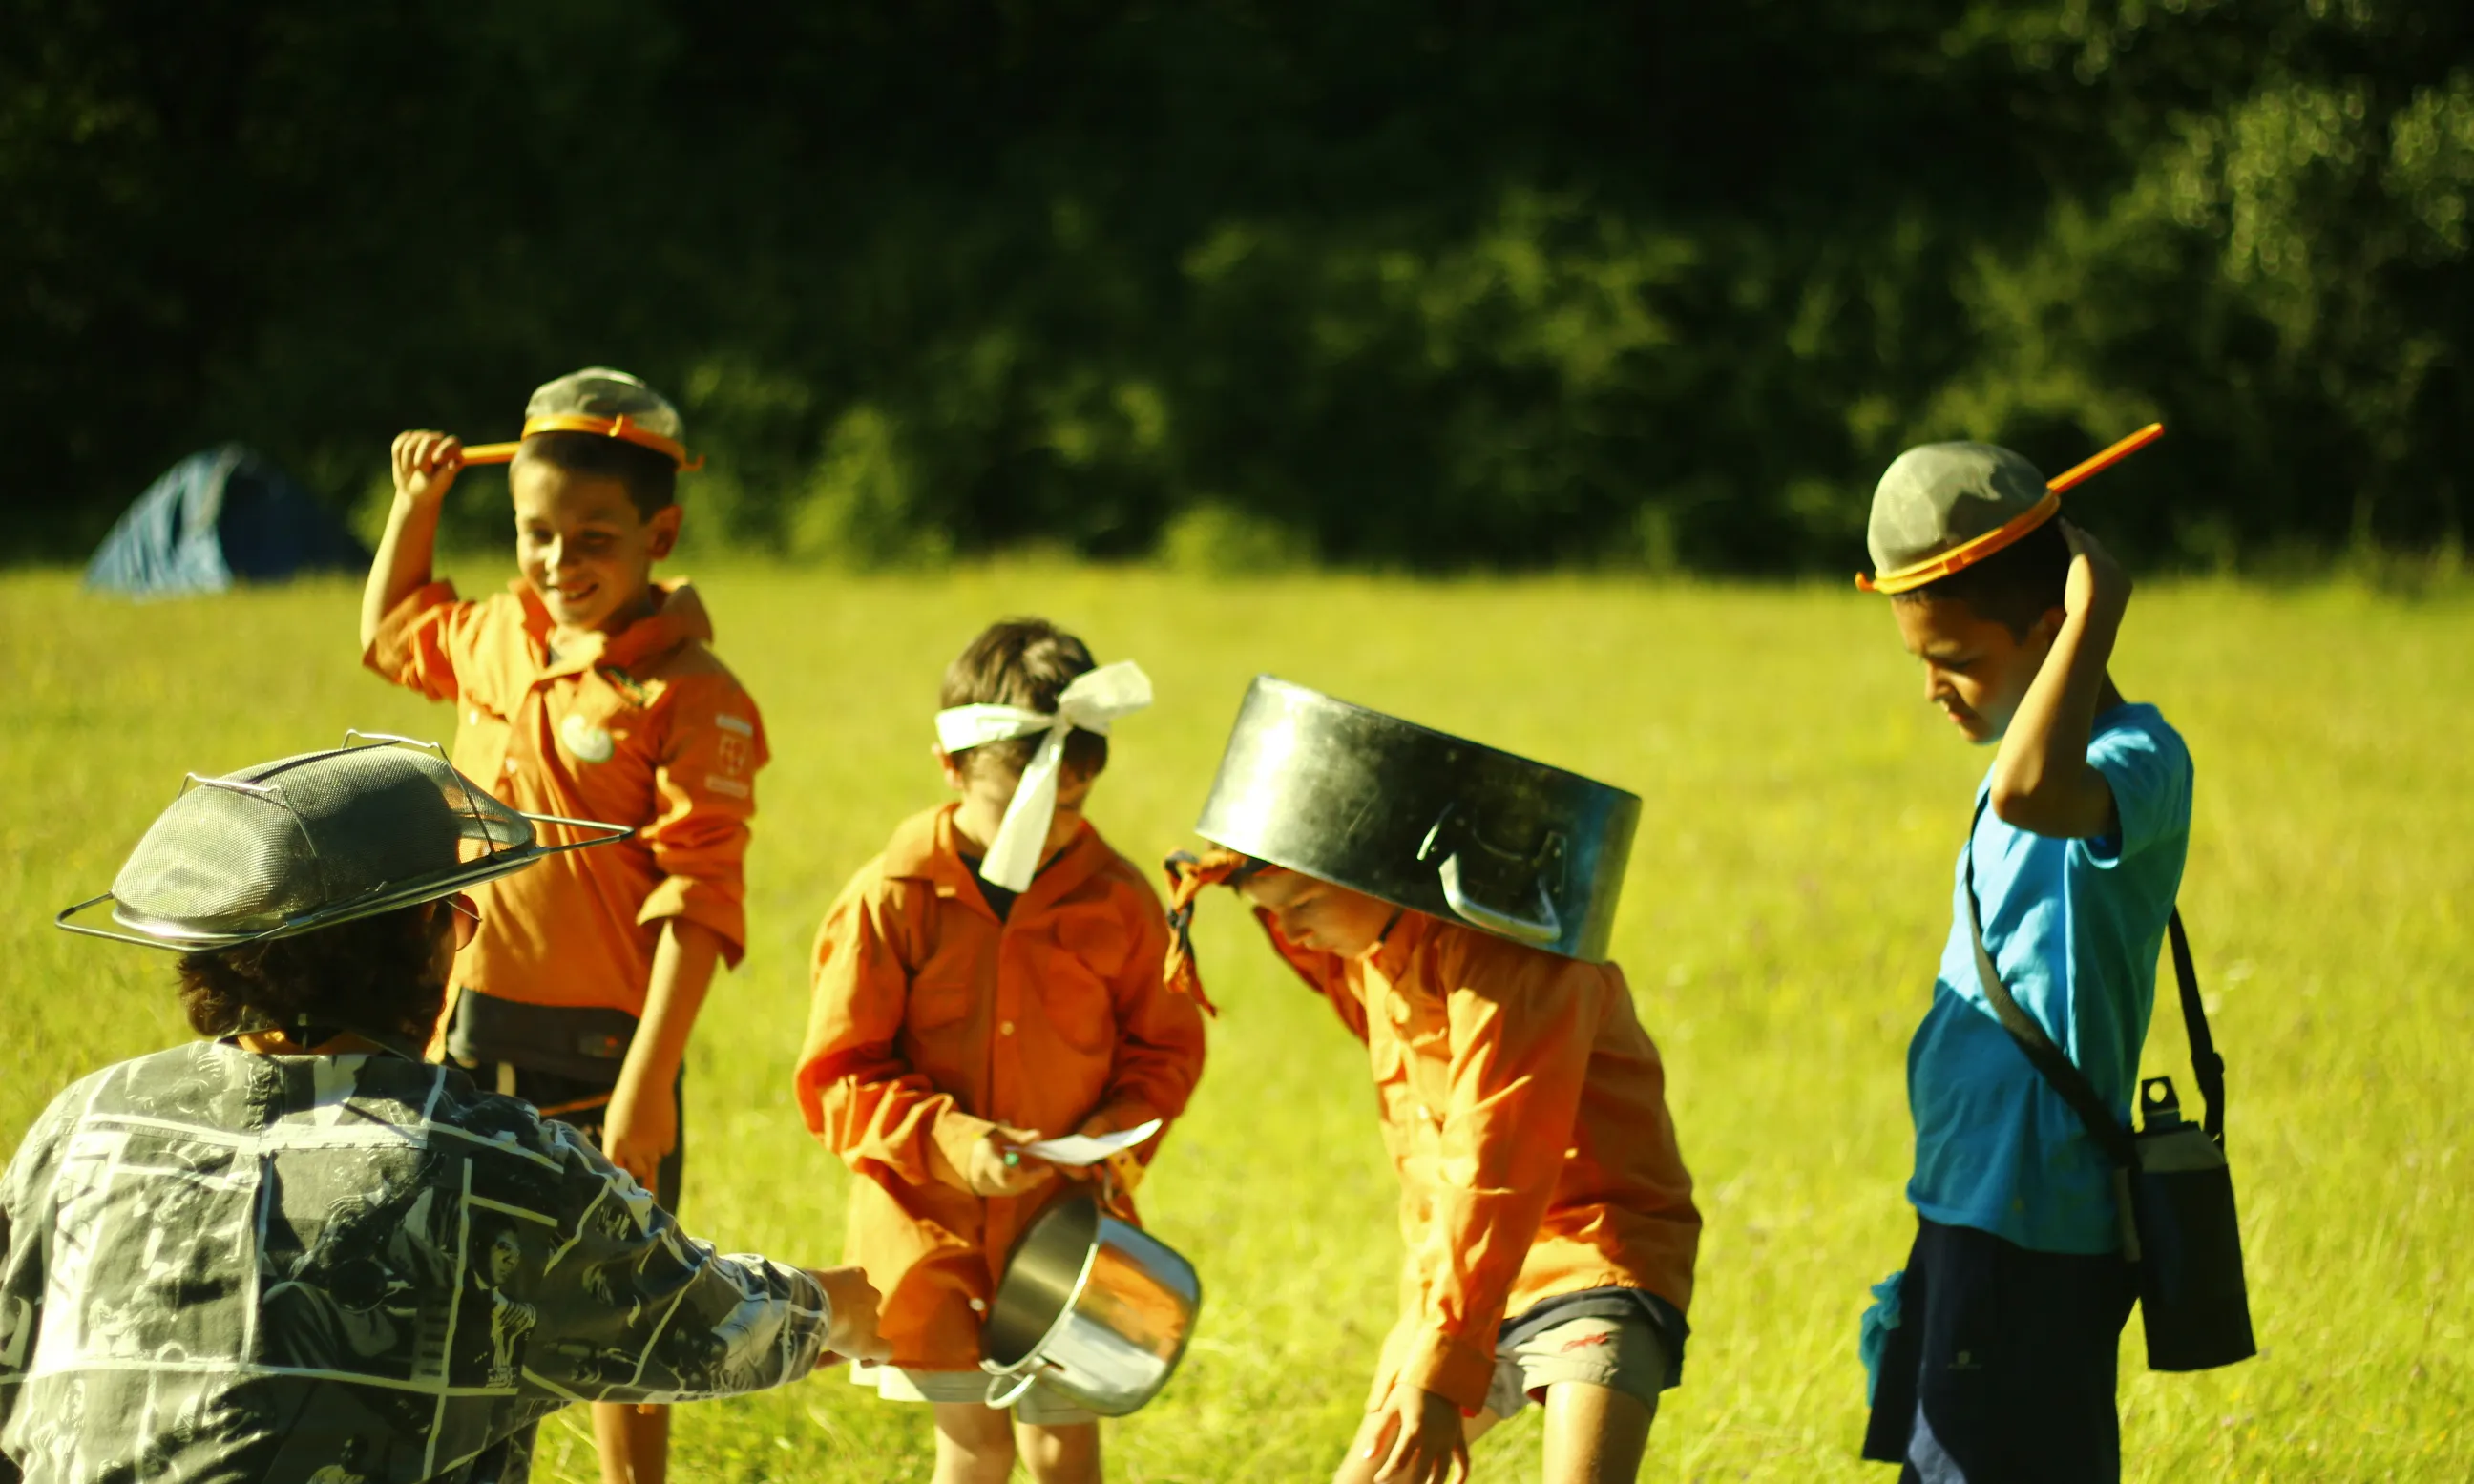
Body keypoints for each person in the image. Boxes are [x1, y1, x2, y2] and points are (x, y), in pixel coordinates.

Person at [6, 739, 887, 1484]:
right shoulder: (485, 1156)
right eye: (455, 917)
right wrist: (843, 1305)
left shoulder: (84, 1122)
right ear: (422, 941)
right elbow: (708, 1327)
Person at [359, 367, 761, 1484]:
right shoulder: (496, 638)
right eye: (537, 533)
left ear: (659, 534)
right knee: (463, 1309)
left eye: (594, 537)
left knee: (618, 1323)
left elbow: (701, 904)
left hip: (605, 1059)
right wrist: (416, 503)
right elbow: (393, 631)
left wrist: (646, 1083)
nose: (558, 561)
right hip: (466, 1039)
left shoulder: (691, 695)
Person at [794, 619, 1207, 1484]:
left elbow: (1166, 1050)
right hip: (927, 1229)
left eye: (1072, 804)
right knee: (974, 1448)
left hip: (1067, 1228)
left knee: (1064, 1445)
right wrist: (955, 1141)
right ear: (952, 767)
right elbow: (839, 1073)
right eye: (1024, 803)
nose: (1053, 828)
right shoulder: (890, 898)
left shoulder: (1120, 900)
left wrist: (1112, 1139)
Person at [1851, 443, 2191, 1482]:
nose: (1933, 690)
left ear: (2049, 634)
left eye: (1953, 659)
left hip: (2040, 1225)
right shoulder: (2018, 762)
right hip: (1969, 1205)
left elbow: (2032, 793)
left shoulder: (2132, 762)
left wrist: (2094, 618)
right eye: (1920, 661)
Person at [1164, 848, 1701, 1484]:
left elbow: (1493, 1167)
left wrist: (1442, 1363)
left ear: (1382, 867)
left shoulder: (1515, 956)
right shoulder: (1369, 960)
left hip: (1590, 1257)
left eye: (1303, 904)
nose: (1292, 932)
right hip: (1452, 1278)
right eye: (1273, 913)